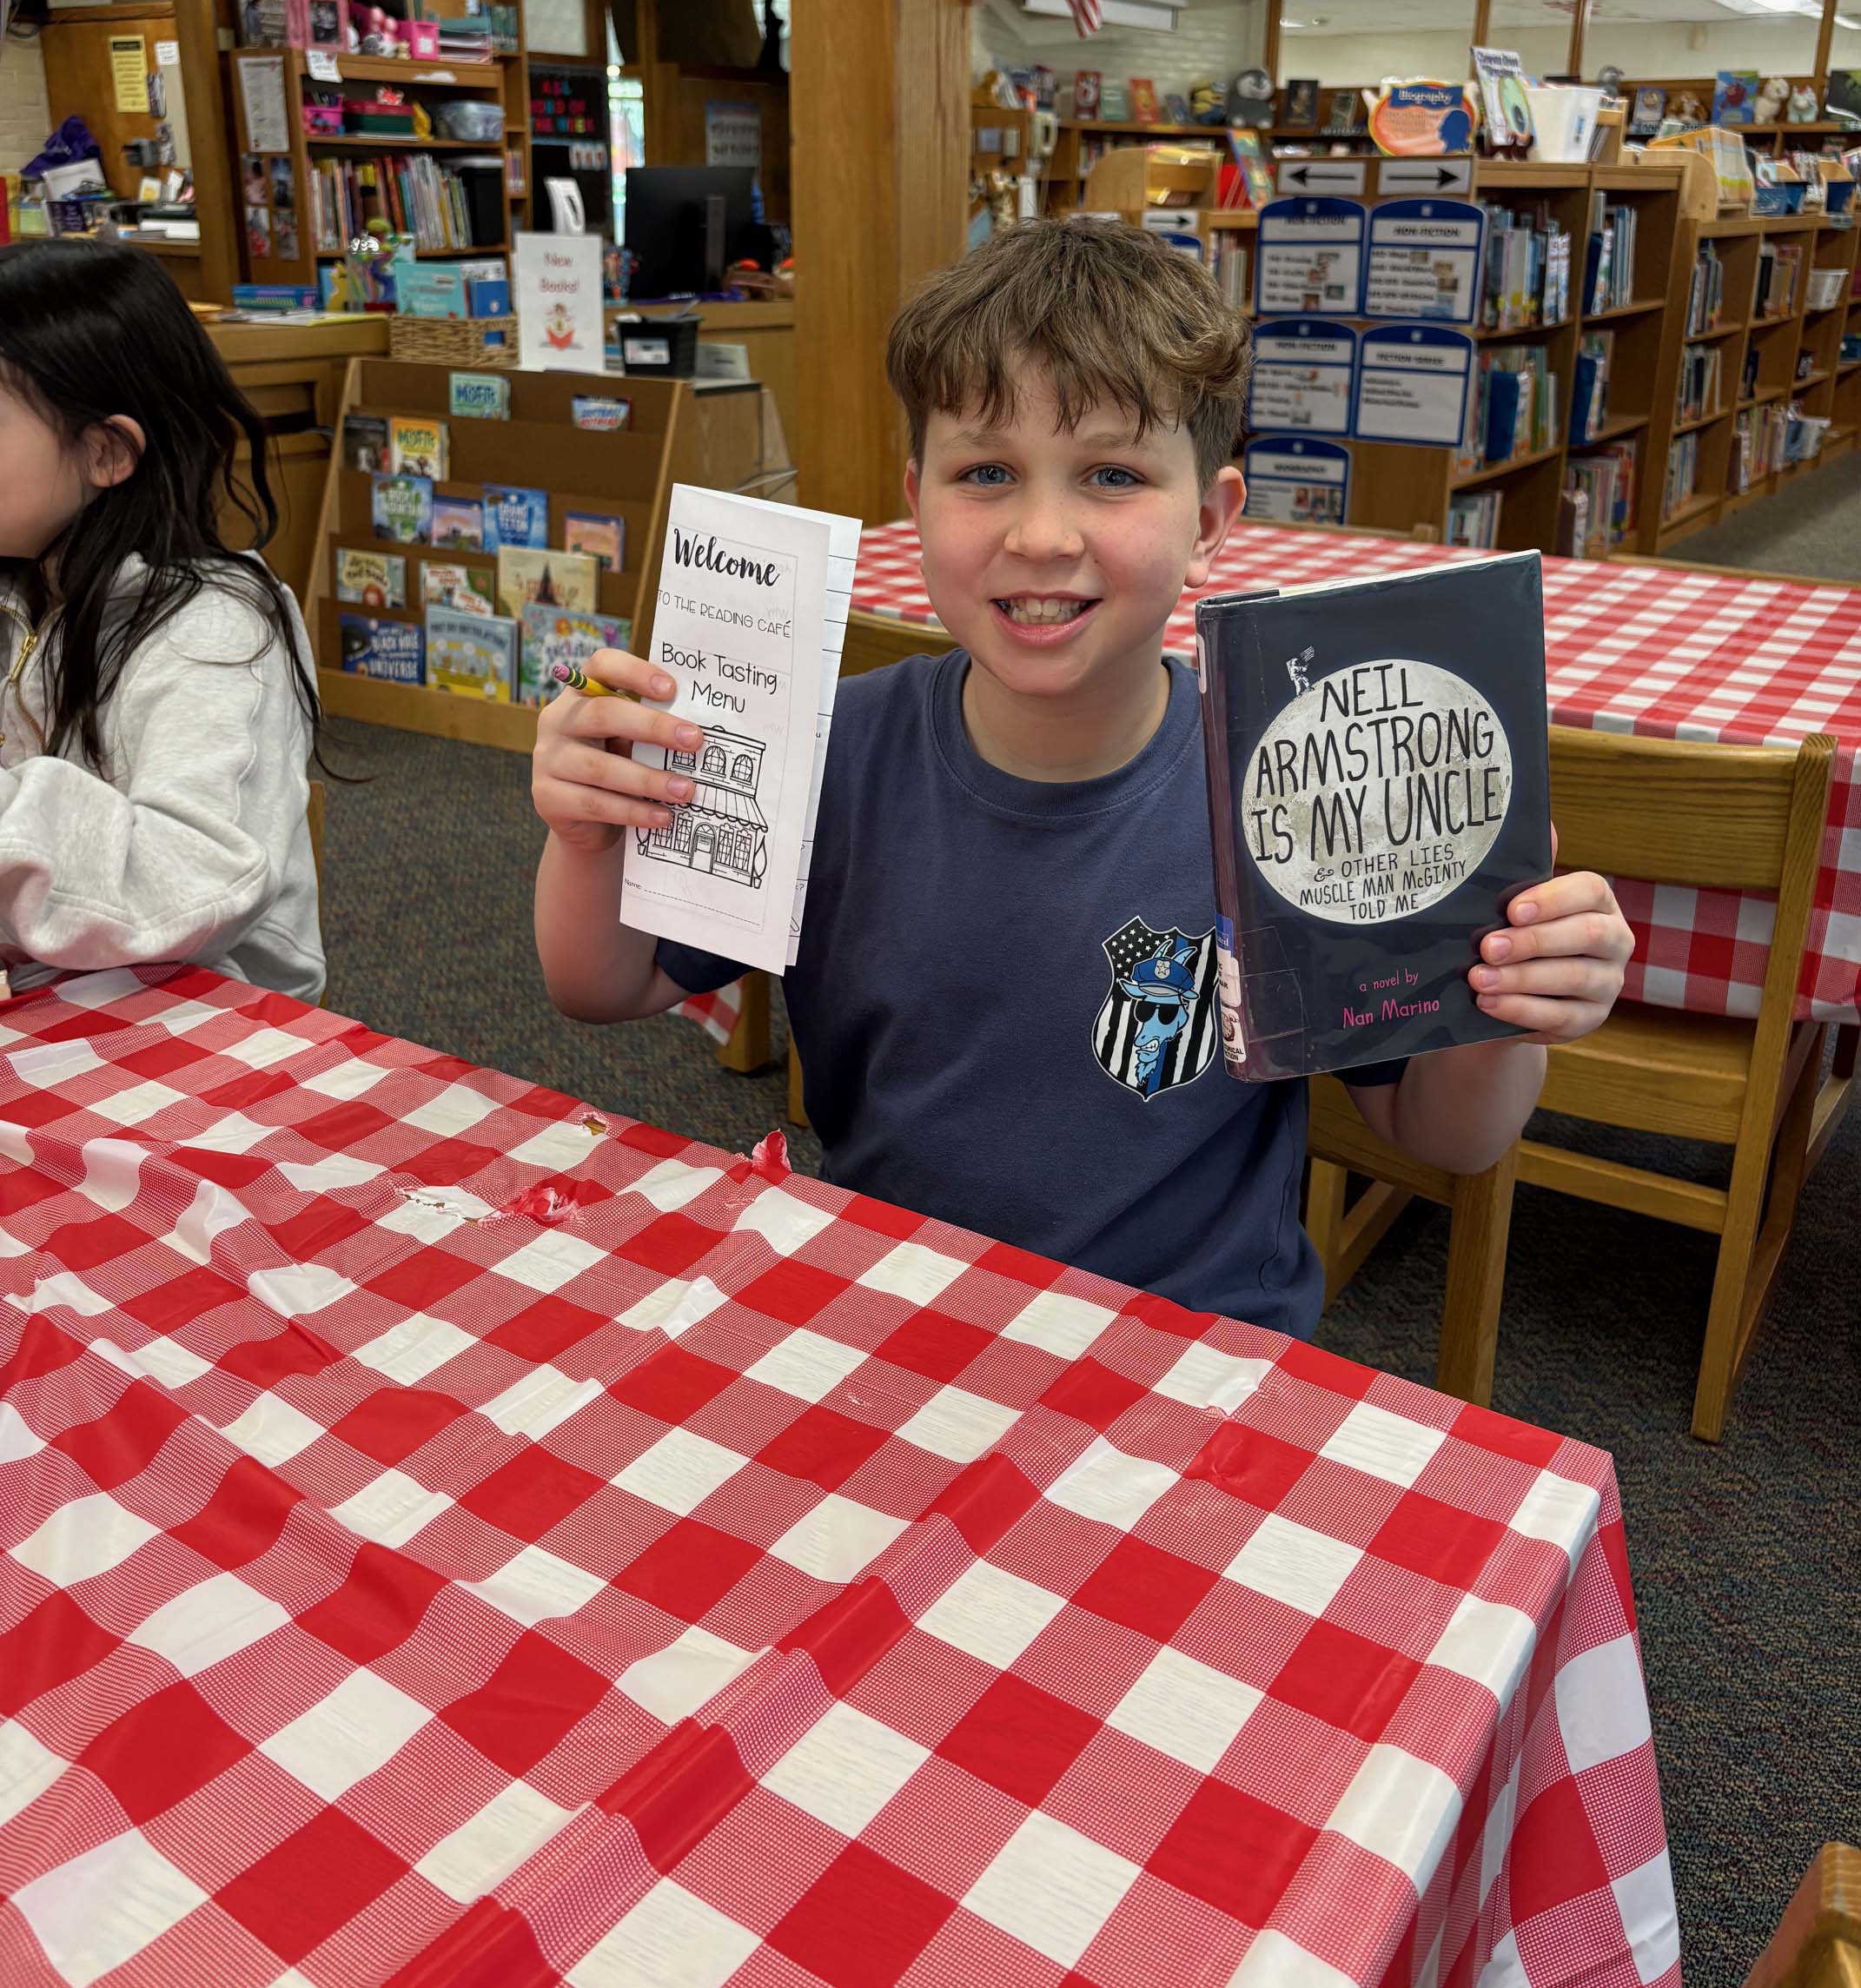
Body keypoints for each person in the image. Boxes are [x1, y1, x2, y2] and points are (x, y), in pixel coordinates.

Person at [531, 219, 1632, 1335]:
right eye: (987, 472)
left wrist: (1509, 1002)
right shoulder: (825, 751)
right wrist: (588, 836)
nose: (1043, 533)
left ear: (1208, 523)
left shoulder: (1295, 788)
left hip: (1200, 1351)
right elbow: (605, 986)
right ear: (915, 502)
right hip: (891, 1315)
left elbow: (1442, 1135)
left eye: (1111, 473)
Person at [0, 238, 325, 1004]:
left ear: (106, 451)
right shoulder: (20, 577)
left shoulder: (216, 629)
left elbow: (190, 882)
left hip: (203, 1028)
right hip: (43, 994)